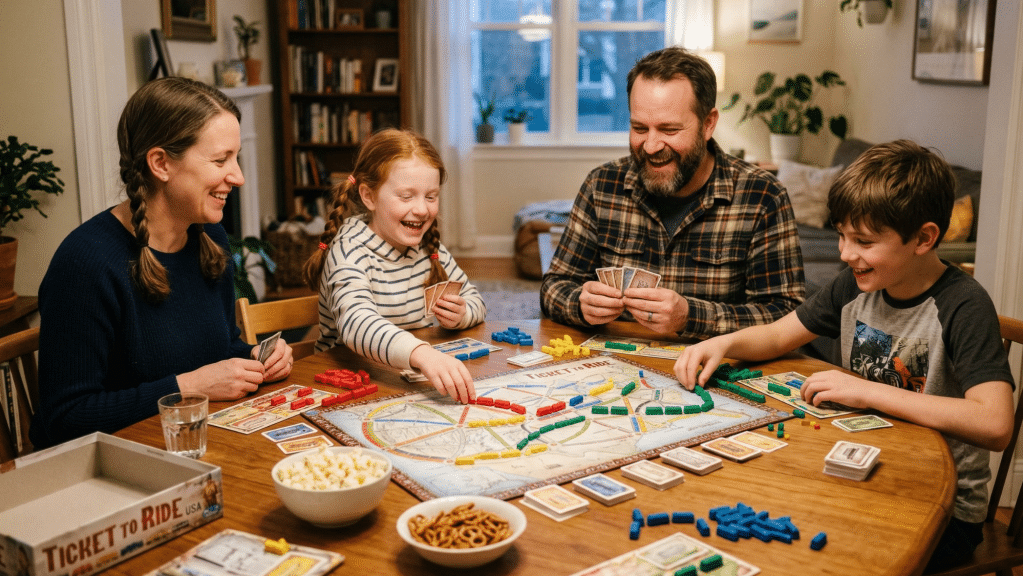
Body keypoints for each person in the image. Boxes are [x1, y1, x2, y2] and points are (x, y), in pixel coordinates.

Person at [674, 140, 1015, 570]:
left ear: (924, 238)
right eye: (841, 235)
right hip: (866, 467)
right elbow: (780, 335)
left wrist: (867, 391)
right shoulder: (853, 283)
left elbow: (996, 423)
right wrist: (722, 344)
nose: (845, 253)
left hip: (944, 509)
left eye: (864, 241)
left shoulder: (964, 305)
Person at [30, 78, 293, 449]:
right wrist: (187, 388)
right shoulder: (84, 264)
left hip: (190, 445)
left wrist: (253, 358)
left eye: (235, 158)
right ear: (161, 163)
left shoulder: (210, 240)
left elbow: (217, 352)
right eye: (220, 160)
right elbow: (66, 418)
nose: (238, 177)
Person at [541, 46, 804, 340]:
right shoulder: (602, 185)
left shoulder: (763, 196)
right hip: (615, 370)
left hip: (714, 372)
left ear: (708, 124)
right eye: (640, 128)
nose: (651, 146)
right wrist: (579, 303)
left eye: (668, 130)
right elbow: (554, 287)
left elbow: (787, 316)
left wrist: (691, 317)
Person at [303, 128, 486, 403]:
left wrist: (462, 314)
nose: (422, 210)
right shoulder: (349, 250)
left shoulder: (428, 247)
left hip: (410, 382)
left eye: (431, 196)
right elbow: (357, 324)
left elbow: (476, 300)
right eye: (406, 196)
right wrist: (422, 354)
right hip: (350, 384)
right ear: (369, 196)